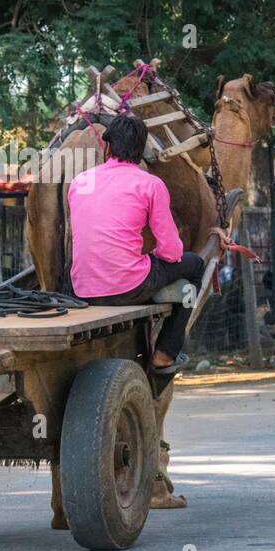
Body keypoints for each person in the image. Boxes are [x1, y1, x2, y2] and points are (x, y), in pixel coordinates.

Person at [68, 114, 205, 373]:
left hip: (81, 287)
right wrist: (150, 255)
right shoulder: (151, 185)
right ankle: (166, 352)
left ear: (106, 147)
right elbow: (172, 252)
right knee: (195, 266)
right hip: (129, 286)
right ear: (140, 152)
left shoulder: (80, 182)